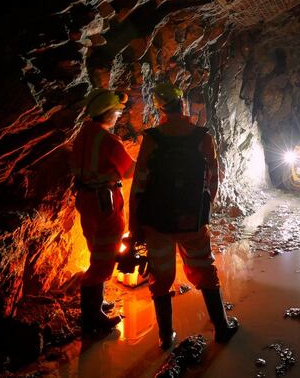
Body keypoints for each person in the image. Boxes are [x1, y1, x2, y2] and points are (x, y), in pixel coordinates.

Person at [129, 81, 239, 350]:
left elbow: (139, 184)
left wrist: (135, 223)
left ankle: (166, 338)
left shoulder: (153, 139)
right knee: (203, 268)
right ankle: (222, 329)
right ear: (183, 104)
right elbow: (212, 180)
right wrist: (202, 210)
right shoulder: (203, 137)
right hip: (192, 219)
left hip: (157, 222)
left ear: (160, 110)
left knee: (161, 277)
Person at [70, 88, 134, 338]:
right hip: (104, 202)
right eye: (117, 112)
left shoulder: (83, 134)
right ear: (107, 113)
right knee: (103, 259)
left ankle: (97, 303)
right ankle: (92, 317)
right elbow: (129, 171)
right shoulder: (107, 140)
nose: (118, 116)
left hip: (86, 200)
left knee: (96, 251)